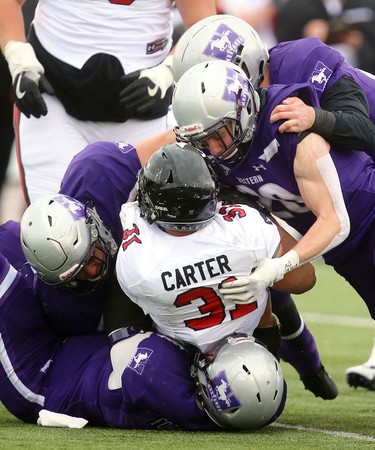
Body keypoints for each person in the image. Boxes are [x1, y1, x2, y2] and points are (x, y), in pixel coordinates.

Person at [171, 13, 375, 388]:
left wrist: (317, 117)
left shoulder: (298, 78)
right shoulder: (227, 141)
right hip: (344, 231)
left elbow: (363, 132)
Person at [2, 209, 286, 431]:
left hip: (41, 378)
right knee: (12, 237)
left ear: (209, 386)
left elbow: (127, 304)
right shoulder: (260, 400)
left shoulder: (157, 372)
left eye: (221, 354)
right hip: (80, 351)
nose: (221, 345)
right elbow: (260, 369)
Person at [0, 0, 217, 204]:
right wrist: (18, 56)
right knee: (55, 225)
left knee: (142, 229)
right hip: (55, 102)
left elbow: (204, 25)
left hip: (144, 109)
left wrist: (168, 71)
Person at [115, 144, 316, 359]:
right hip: (254, 346)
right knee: (264, 303)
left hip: (183, 357)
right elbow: (304, 280)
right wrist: (252, 208)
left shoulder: (140, 262)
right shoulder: (246, 229)